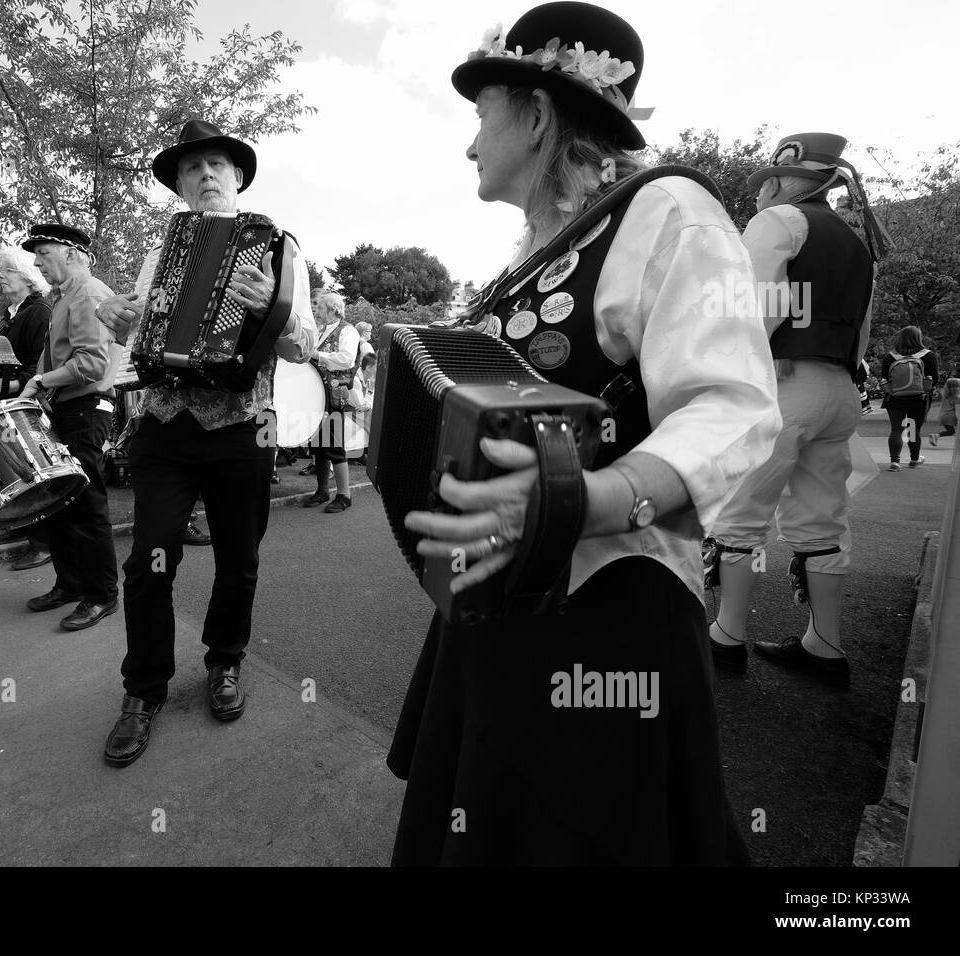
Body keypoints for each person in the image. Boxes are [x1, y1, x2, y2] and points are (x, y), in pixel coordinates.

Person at [387, 4, 781, 865]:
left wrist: (586, 497)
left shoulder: (669, 208)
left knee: (590, 829)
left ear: (533, 115)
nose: (468, 145)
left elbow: (735, 404)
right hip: (504, 597)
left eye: (479, 117)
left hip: (610, 609)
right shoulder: (526, 255)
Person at [93, 119, 317, 767]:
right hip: (164, 426)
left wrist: (268, 309)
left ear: (239, 176)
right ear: (181, 184)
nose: (207, 174)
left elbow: (300, 343)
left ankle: (225, 662)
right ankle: (144, 689)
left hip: (242, 428)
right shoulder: (158, 250)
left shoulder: (278, 246)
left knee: (239, 560)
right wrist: (119, 319)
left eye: (218, 164)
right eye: (193, 168)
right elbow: (140, 332)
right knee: (148, 560)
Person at [707, 133, 886, 687]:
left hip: (781, 383)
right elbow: (862, 329)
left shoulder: (779, 222)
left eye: (773, 178)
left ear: (794, 178)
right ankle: (825, 646)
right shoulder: (859, 244)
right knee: (820, 519)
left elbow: (757, 311)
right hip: (837, 389)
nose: (767, 187)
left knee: (739, 513)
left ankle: (726, 638)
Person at [16, 223, 121, 632]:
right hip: (67, 408)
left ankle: (102, 595)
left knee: (86, 504)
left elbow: (92, 364)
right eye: (36, 256)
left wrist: (41, 381)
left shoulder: (90, 293)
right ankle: (71, 584)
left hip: (86, 409)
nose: (37, 263)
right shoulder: (64, 297)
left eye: (44, 253)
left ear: (73, 253)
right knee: (58, 500)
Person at [0, 244, 55, 571]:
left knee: (30, 470)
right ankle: (23, 530)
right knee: (12, 469)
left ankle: (42, 543)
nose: (1, 276)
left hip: (24, 404)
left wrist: (5, 386)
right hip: (6, 403)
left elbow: (39, 367)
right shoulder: (14, 312)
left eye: (8, 271)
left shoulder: (39, 311)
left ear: (28, 276)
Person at [303, 291, 360, 513]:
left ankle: (345, 495)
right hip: (316, 394)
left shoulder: (348, 330)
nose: (316, 310)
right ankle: (322, 490)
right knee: (317, 444)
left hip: (335, 395)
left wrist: (317, 355)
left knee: (334, 444)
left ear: (332, 309)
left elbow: (346, 359)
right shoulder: (320, 330)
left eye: (320, 307)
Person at [880, 326, 938, 470]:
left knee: (896, 429)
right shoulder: (928, 355)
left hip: (894, 398)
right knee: (913, 429)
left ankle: (894, 462)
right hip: (919, 398)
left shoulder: (890, 357)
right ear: (918, 338)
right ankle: (914, 459)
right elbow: (934, 379)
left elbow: (884, 378)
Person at [929, 371, 959, 445]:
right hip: (951, 416)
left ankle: (936, 435)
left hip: (943, 415)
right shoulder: (956, 397)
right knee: (955, 431)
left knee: (951, 431)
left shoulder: (945, 394)